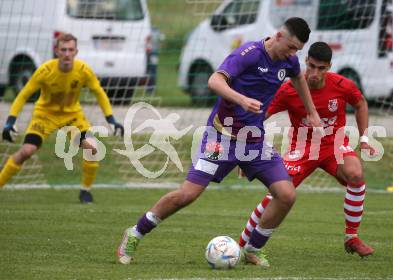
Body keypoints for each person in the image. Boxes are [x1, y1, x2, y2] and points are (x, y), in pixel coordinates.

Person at [117, 17, 322, 267]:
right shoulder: (248, 54)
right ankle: (135, 233)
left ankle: (253, 249)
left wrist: (311, 112)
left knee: (287, 195)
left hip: (253, 142)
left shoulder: (288, 60)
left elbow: (298, 77)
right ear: (279, 36)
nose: (293, 54)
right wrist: (241, 100)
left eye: (297, 51)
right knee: (187, 195)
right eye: (291, 47)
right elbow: (214, 80)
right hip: (220, 139)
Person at [238, 42, 376, 259]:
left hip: (334, 145)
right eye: (311, 66)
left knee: (356, 174)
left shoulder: (342, 85)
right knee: (278, 194)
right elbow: (260, 116)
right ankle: (241, 245)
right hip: (301, 148)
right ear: (305, 61)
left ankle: (352, 237)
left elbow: (361, 104)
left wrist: (365, 138)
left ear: (329, 66)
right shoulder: (289, 89)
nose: (314, 73)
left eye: (321, 68)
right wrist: (248, 150)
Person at [0, 33, 124, 203]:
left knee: (93, 148)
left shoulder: (83, 71)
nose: (67, 53)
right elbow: (22, 95)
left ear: (76, 52)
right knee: (26, 151)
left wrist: (112, 120)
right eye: (63, 49)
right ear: (56, 51)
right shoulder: (45, 71)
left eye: (70, 50)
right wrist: (9, 123)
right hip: (44, 115)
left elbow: (99, 93)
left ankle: (85, 191)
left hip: (72, 117)